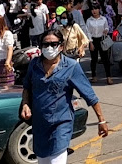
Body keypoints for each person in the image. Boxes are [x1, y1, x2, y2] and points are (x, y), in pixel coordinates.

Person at [21, 30, 108, 164]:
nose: (49, 48)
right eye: (45, 44)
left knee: (56, 160)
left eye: (53, 44)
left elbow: (89, 95)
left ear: (61, 46)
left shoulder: (72, 66)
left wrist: (101, 120)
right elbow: (27, 86)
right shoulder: (34, 64)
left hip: (61, 124)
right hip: (40, 125)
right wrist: (26, 104)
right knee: (43, 161)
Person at [86, 4, 113, 85]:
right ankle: (94, 76)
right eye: (92, 9)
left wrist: (106, 30)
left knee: (105, 59)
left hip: (102, 40)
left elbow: (107, 27)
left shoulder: (103, 19)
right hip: (93, 40)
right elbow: (87, 32)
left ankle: (109, 77)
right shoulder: (89, 20)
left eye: (96, 9)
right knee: (94, 59)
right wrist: (90, 43)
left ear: (99, 9)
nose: (94, 11)